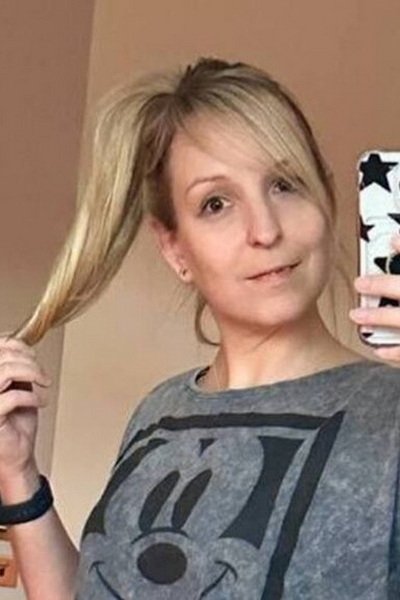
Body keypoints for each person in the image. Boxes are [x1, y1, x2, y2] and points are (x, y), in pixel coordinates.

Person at [0, 56, 398, 599]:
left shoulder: (391, 409)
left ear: (325, 199)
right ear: (175, 248)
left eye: (285, 184)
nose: (265, 230)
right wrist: (18, 475)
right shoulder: (159, 413)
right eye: (216, 204)